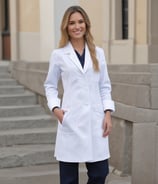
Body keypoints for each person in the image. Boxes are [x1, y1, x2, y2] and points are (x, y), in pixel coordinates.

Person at [44, 5, 115, 184]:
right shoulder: (59, 55)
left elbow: (104, 86)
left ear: (86, 24)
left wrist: (107, 113)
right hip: (71, 119)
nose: (77, 26)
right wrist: (56, 109)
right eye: (72, 23)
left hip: (96, 120)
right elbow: (50, 85)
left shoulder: (98, 53)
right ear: (66, 27)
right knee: (68, 180)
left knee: (100, 173)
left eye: (80, 22)